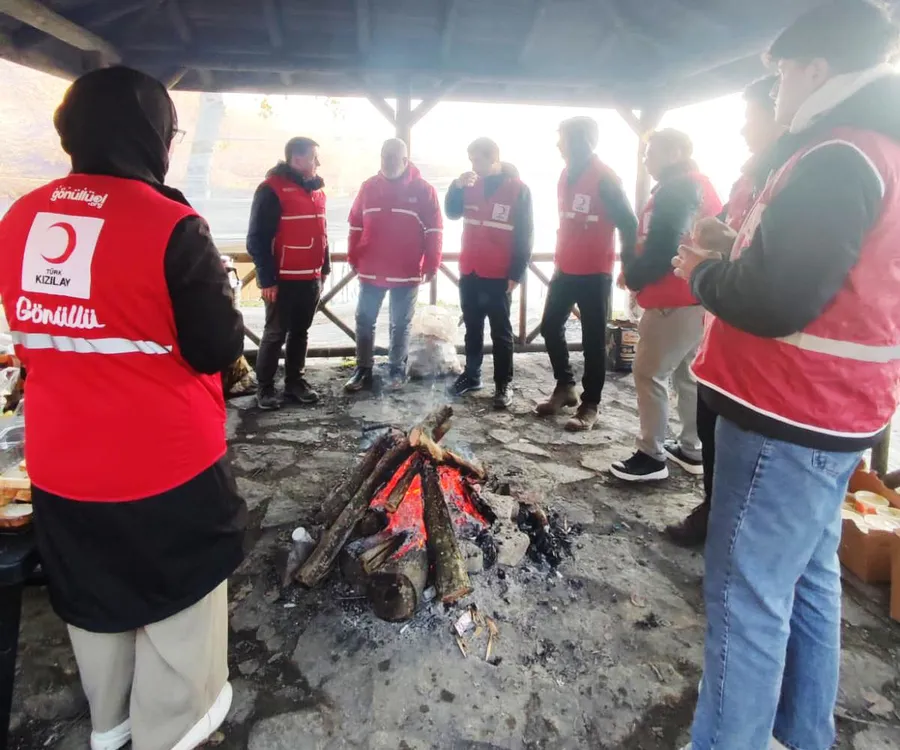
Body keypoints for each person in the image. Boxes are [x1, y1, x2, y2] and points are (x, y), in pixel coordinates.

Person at [0, 66, 247, 750]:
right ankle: (171, 733)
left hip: (61, 462)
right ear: (152, 135)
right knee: (179, 607)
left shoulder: (20, 217)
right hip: (164, 467)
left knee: (96, 597)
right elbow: (216, 346)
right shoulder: (170, 225)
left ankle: (110, 725)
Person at [674, 3, 900, 748]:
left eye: (779, 78)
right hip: (837, 412)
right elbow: (826, 274)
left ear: (815, 69)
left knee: (745, 599)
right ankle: (803, 735)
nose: (774, 94)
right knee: (807, 578)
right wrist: (734, 248)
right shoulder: (878, 145)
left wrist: (702, 273)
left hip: (787, 411)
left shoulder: (838, 153)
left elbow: (776, 300)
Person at [665, 75, 783, 547]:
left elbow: (781, 274)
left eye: (751, 117)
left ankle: (730, 536)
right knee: (712, 428)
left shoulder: (801, 183)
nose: (743, 129)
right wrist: (718, 240)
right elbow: (741, 246)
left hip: (761, 359)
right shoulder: (748, 179)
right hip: (722, 340)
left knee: (749, 468)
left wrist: (717, 258)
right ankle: (712, 508)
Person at [610, 129, 721, 481]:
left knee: (649, 373)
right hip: (692, 297)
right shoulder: (687, 185)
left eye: (651, 153)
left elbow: (665, 246)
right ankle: (692, 447)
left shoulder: (680, 188)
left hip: (673, 298)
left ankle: (651, 456)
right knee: (687, 374)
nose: (646, 160)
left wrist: (635, 276)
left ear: (675, 152)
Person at [535, 116, 638, 431]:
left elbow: (629, 223)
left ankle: (590, 404)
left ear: (580, 140)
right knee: (549, 327)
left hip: (595, 272)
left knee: (593, 338)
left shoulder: (605, 178)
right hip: (565, 267)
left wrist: (628, 267)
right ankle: (565, 385)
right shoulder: (566, 173)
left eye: (562, 138)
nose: (558, 144)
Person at [344, 138, 443, 391]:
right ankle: (362, 369)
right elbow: (355, 224)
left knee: (400, 324)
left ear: (405, 160)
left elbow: (434, 230)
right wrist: (353, 257)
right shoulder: (368, 187)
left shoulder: (424, 190)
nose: (386, 162)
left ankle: (396, 369)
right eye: (384, 156)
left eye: (392, 157)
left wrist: (432, 263)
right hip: (371, 268)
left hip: (406, 270)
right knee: (364, 319)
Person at [445, 138, 534, 409]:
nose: (473, 166)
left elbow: (526, 234)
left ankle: (503, 384)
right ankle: (472, 375)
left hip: (499, 273)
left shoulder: (518, 190)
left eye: (477, 160)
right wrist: (456, 186)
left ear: (494, 159)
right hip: (470, 269)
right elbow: (452, 212)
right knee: (472, 328)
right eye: (471, 160)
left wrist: (517, 273)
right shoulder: (469, 185)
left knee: (501, 332)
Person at [247, 136, 330, 410]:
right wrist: (267, 279)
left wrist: (325, 268)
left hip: (311, 278)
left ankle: (295, 382)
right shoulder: (271, 190)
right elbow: (257, 239)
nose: (318, 163)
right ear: (297, 158)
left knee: (300, 332)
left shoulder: (317, 192)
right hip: (282, 280)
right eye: (314, 158)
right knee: (274, 334)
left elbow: (322, 233)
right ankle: (265, 387)